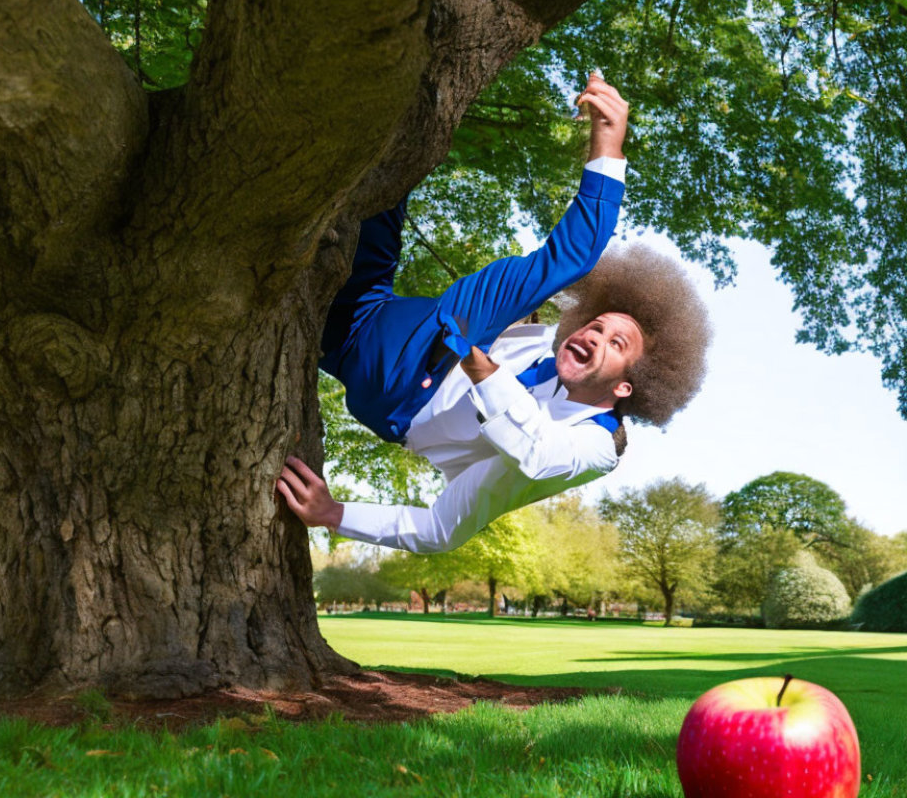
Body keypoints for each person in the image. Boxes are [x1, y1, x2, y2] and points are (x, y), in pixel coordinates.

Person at [277, 76, 712, 553]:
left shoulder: (592, 447)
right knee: (377, 193)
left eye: (615, 344)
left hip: (405, 387)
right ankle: (374, 104)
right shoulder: (550, 342)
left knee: (549, 272)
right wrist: (607, 145)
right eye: (598, 324)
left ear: (626, 386)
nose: (595, 333)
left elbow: (453, 520)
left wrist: (334, 514)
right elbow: (570, 257)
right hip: (379, 310)